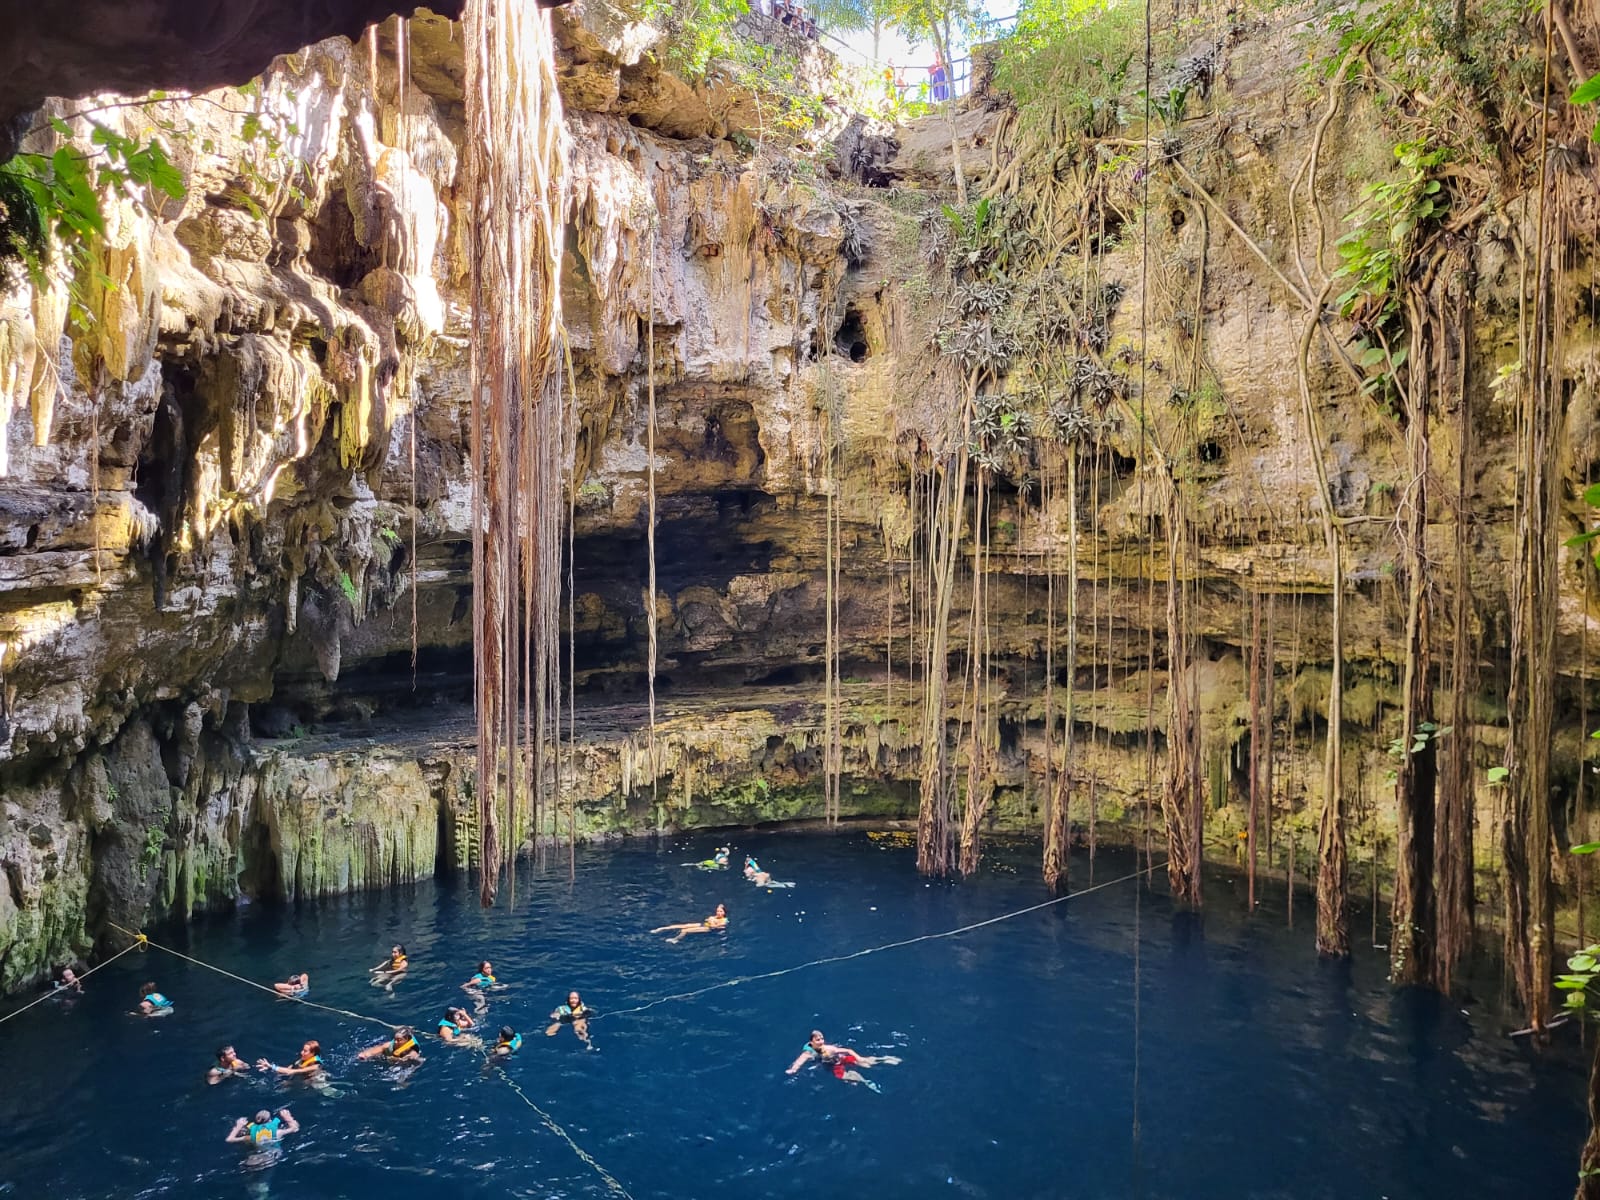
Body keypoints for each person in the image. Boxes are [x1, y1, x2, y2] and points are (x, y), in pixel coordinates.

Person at [785, 1029, 901, 1086]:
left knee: (853, 1072)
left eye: (822, 1039)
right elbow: (799, 1061)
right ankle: (883, 1060)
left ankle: (867, 1077)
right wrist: (794, 1069)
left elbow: (848, 1050)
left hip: (836, 1063)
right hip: (837, 1061)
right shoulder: (808, 1052)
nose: (821, 1042)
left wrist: (858, 1057)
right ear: (812, 1041)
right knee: (864, 1065)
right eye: (818, 1040)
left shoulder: (828, 1049)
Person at [651, 903, 729, 944]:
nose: (718, 913)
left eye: (721, 911)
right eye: (718, 911)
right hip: (705, 924)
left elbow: (714, 926)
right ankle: (662, 928)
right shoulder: (715, 917)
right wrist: (710, 919)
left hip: (709, 929)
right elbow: (708, 920)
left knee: (685, 930)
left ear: (724, 912)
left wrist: (711, 920)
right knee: (684, 926)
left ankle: (675, 940)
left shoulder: (724, 920)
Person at [226, 1108, 299, 1147]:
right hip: (271, 1156)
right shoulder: (278, 1133)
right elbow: (295, 1129)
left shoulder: (251, 1137)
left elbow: (229, 1139)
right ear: (270, 1120)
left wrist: (238, 1127)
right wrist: (288, 1118)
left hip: (254, 1157)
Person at [257, 1040, 324, 1078]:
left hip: (317, 1082)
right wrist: (271, 1069)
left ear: (313, 1053)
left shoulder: (315, 1066)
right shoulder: (301, 1060)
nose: (301, 1052)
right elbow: (288, 1070)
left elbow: (290, 1071)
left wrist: (271, 1066)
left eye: (305, 1051)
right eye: (303, 1050)